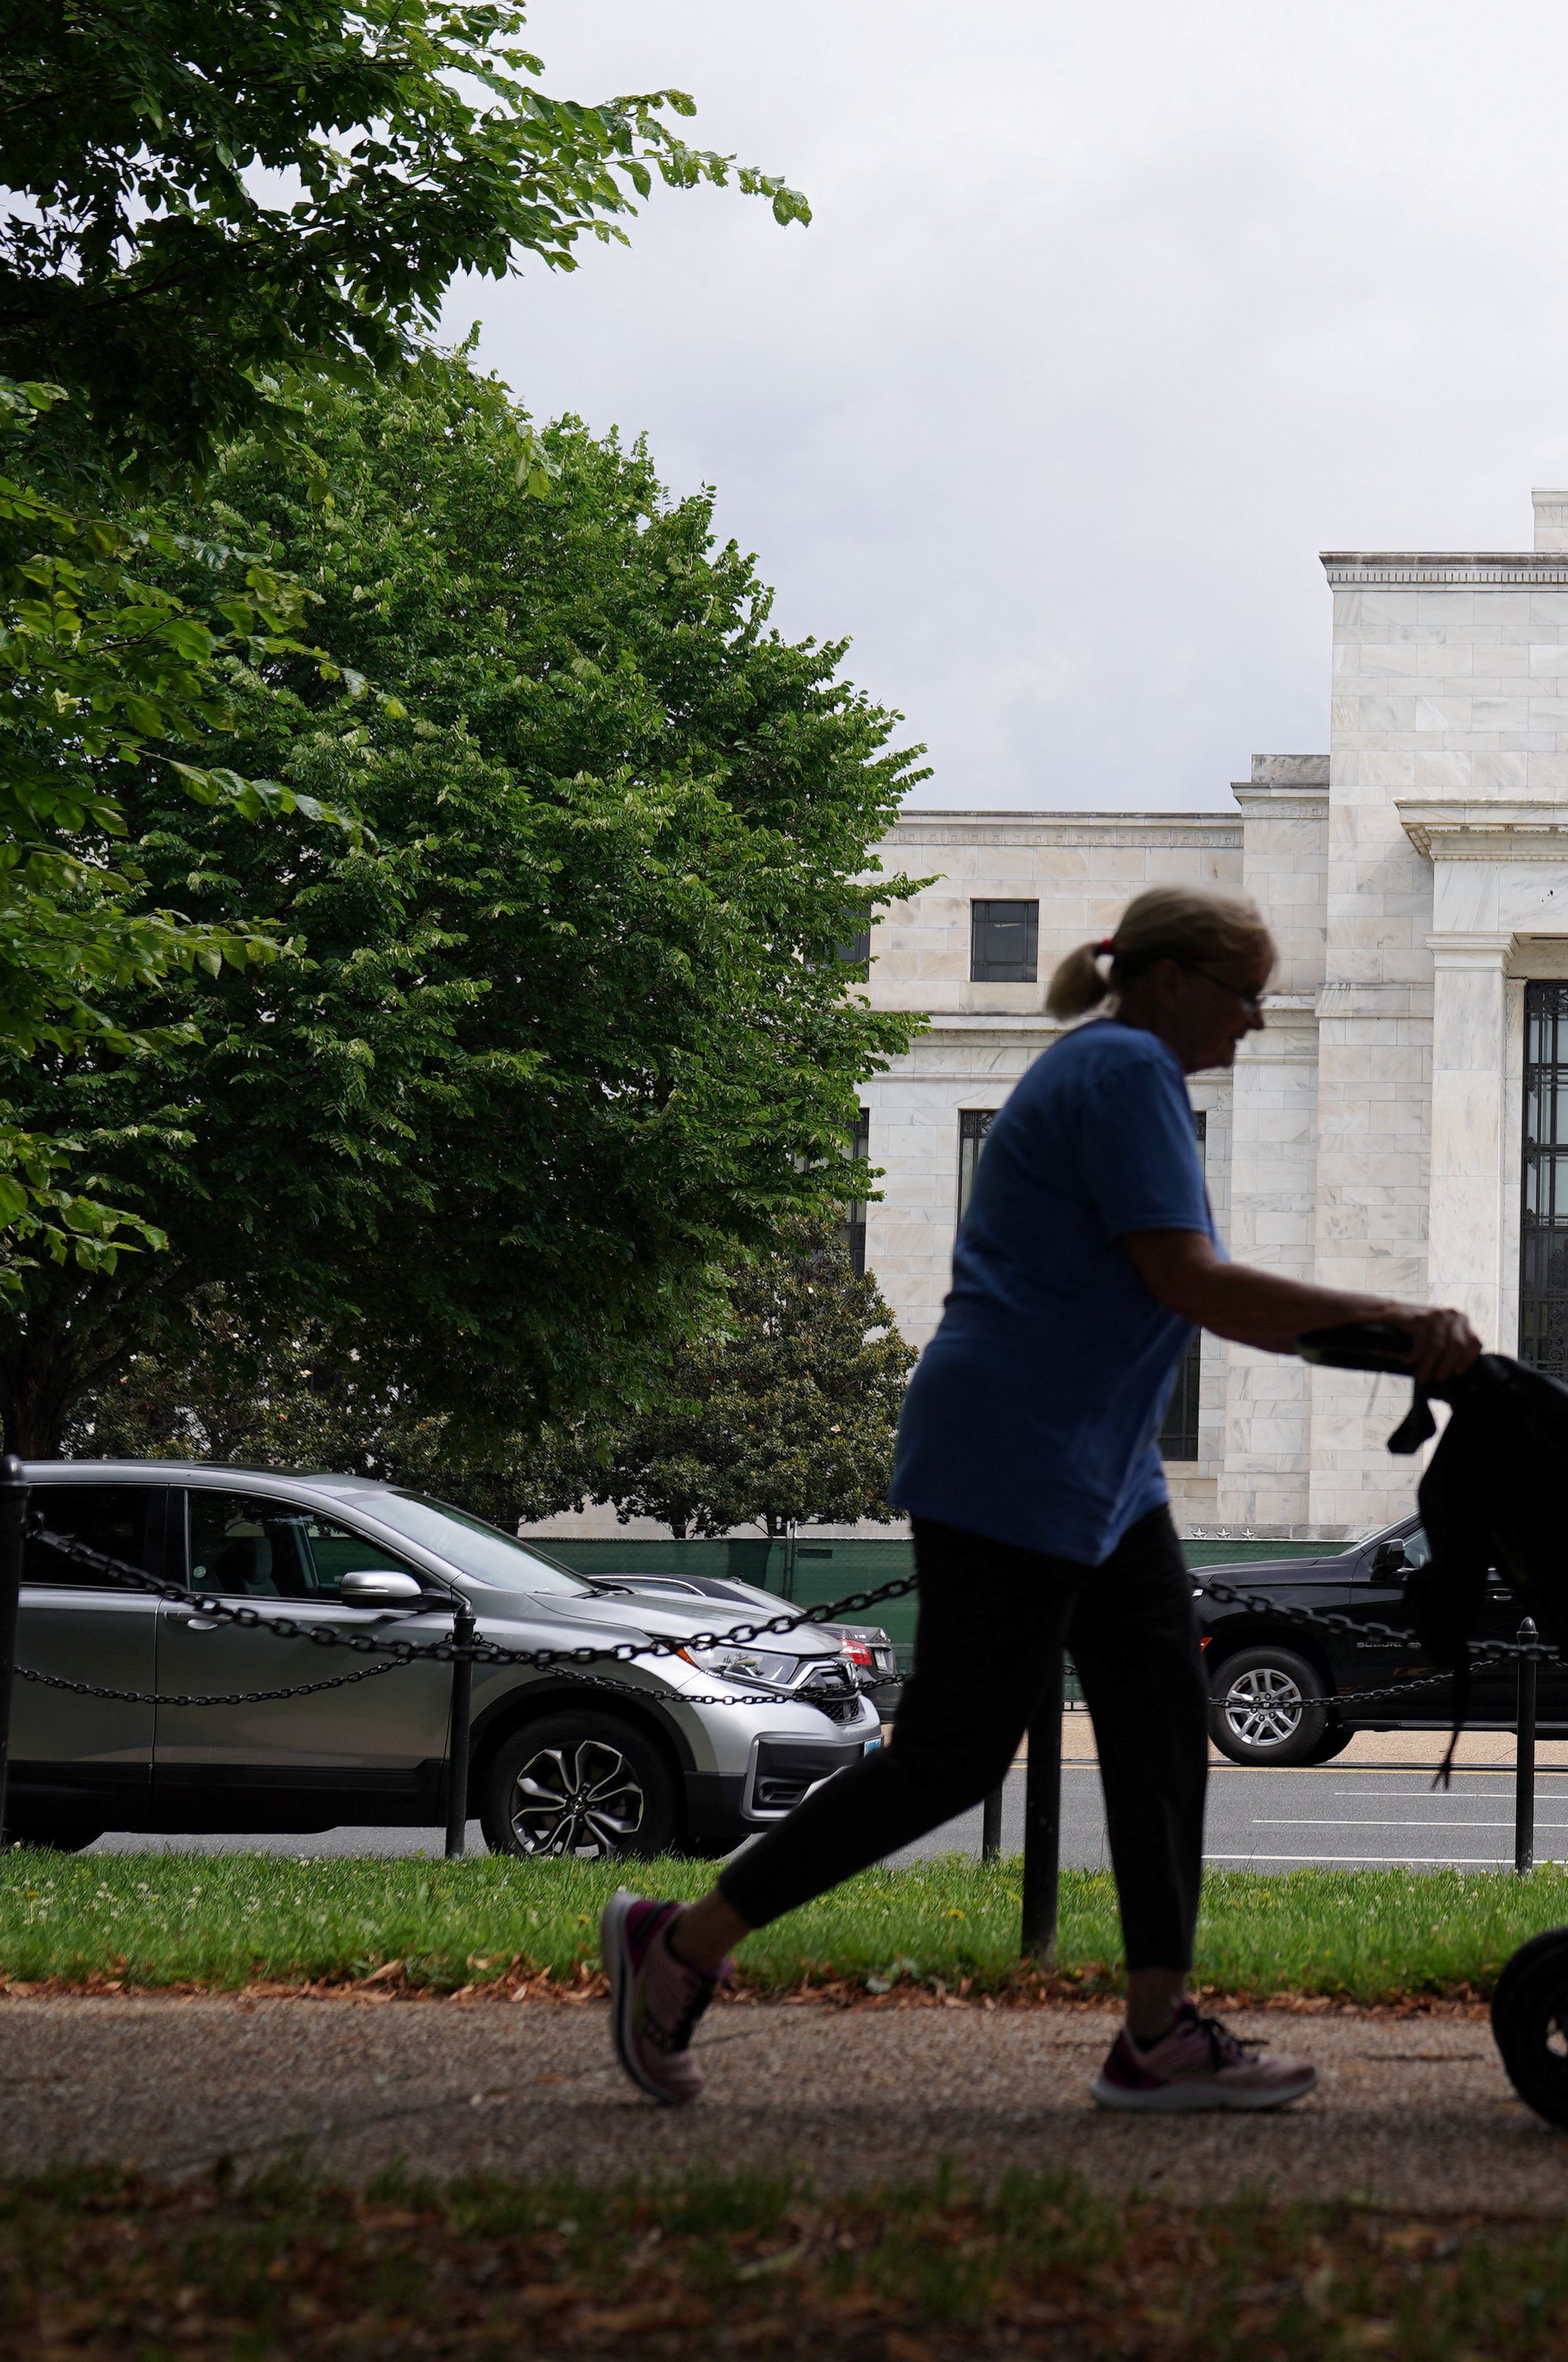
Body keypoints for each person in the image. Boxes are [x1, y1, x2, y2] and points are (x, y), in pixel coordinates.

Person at [597, 884, 1478, 2111]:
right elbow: (1193, 1283)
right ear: (1171, 981)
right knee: (955, 1755)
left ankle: (1159, 2033)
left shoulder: (1126, 1076)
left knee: (1166, 1728)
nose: (1259, 1025)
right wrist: (1396, 1326)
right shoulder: (1121, 1073)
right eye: (1246, 996)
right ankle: (681, 1943)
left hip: (1100, 1472)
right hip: (1013, 1453)